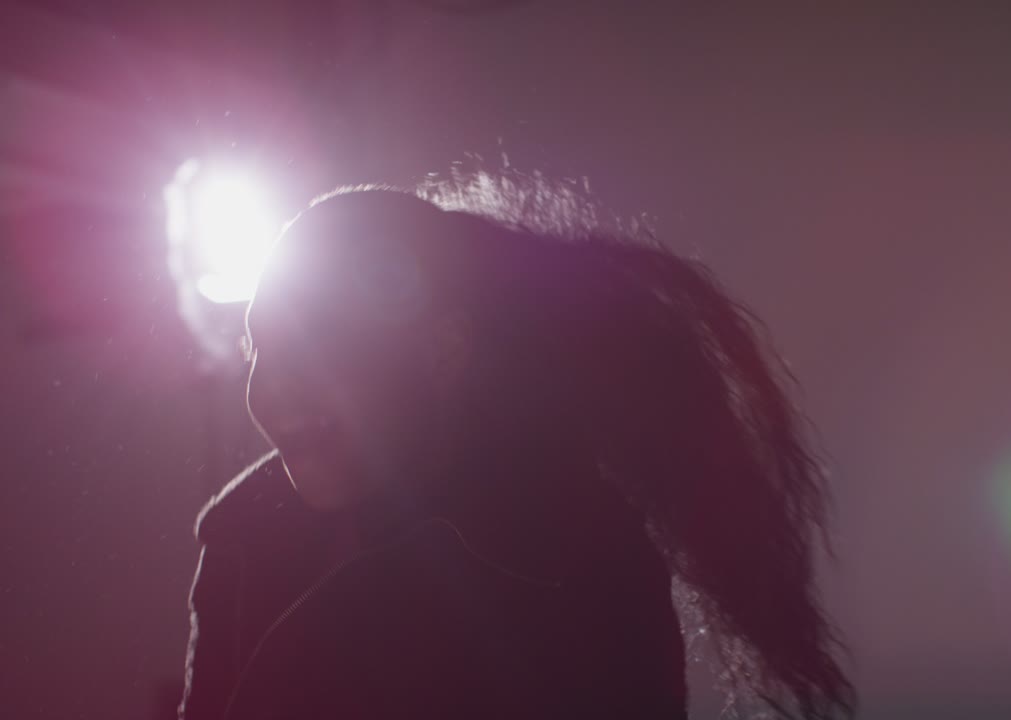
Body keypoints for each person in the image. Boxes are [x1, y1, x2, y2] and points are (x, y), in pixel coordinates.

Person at [178, 181, 854, 719]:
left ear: (443, 351)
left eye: (315, 345)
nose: (273, 391)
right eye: (257, 349)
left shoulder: (573, 559)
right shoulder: (246, 541)